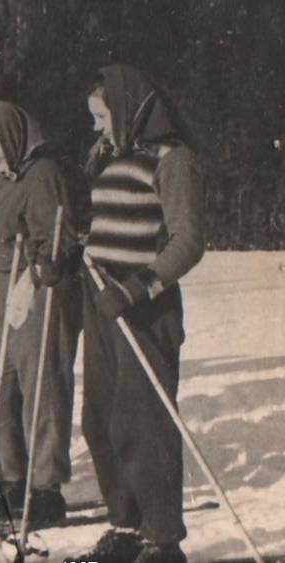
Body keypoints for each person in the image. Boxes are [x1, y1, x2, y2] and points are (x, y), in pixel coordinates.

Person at [74, 64, 204, 563]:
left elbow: (188, 241)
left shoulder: (174, 160)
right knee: (101, 419)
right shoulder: (116, 155)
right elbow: (115, 222)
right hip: (102, 300)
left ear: (130, 110)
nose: (96, 127)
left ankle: (162, 540)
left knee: (144, 423)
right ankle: (126, 529)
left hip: (144, 308)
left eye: (100, 116)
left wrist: (136, 289)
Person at [0, 101, 82, 524]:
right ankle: (9, 477)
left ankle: (46, 487)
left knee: (42, 387)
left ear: (12, 137)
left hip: (39, 284)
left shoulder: (44, 173)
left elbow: (57, 234)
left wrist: (43, 264)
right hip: (2, 284)